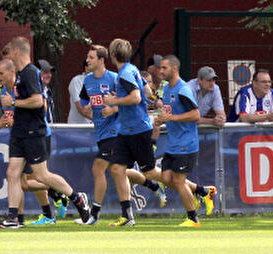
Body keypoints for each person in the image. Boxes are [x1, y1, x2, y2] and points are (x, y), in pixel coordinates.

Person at [0, 37, 91, 229]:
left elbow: (38, 101)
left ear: (16, 52)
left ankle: (76, 197)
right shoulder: (22, 74)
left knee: (42, 176)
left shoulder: (30, 72)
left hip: (33, 132)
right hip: (19, 132)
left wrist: (13, 103)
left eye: (10, 51)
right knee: (12, 173)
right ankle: (13, 218)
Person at [102, 39, 214, 227]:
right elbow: (146, 92)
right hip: (127, 130)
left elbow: (137, 97)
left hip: (138, 131)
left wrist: (115, 101)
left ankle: (200, 194)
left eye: (164, 68)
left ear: (112, 55)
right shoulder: (132, 70)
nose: (161, 72)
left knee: (155, 174)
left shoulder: (125, 74)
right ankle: (127, 215)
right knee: (116, 168)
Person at [74, 45, 165, 225]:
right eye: (87, 57)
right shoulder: (88, 81)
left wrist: (114, 107)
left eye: (91, 57)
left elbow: (130, 99)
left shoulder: (116, 77)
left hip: (116, 132)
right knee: (118, 170)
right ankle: (152, 185)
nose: (87, 60)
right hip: (101, 132)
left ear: (102, 60)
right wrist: (90, 111)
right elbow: (86, 104)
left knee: (98, 168)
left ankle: (93, 214)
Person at [155, 55, 211, 227]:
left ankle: (193, 218)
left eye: (164, 68)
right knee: (165, 178)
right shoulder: (166, 88)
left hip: (186, 143)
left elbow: (195, 115)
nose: (161, 71)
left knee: (179, 181)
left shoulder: (183, 89)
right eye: (160, 68)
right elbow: (169, 111)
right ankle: (203, 191)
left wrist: (171, 118)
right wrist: (162, 119)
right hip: (173, 144)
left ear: (174, 69)